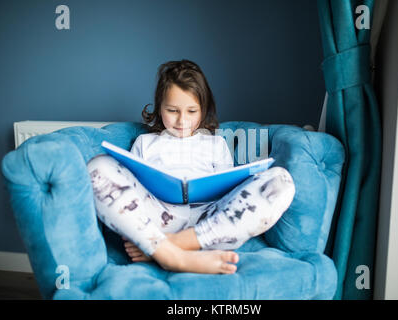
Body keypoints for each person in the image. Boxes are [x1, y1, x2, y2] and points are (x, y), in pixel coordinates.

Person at [87, 59, 295, 275]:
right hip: (157, 218)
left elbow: (229, 189)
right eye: (172, 110)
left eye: (192, 111)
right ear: (160, 107)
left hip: (212, 222)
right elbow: (132, 193)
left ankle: (167, 246)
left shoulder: (216, 143)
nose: (182, 121)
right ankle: (173, 256)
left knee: (281, 181)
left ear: (203, 110)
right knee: (97, 167)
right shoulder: (145, 143)